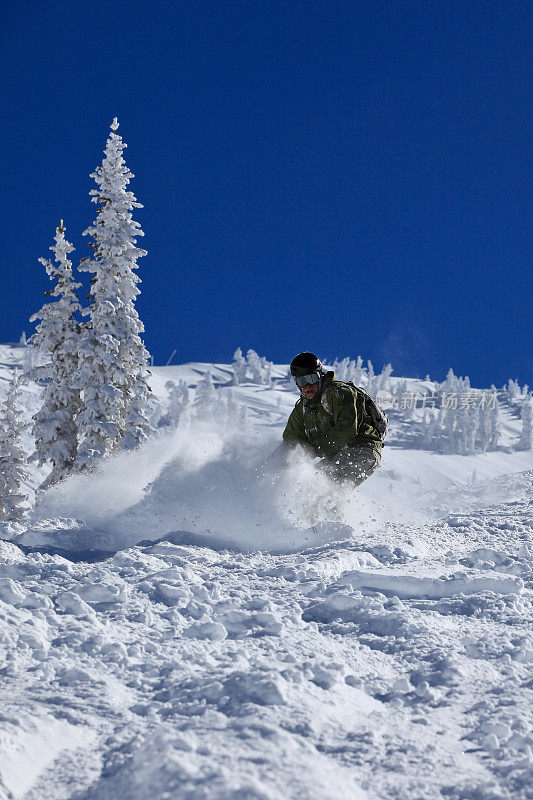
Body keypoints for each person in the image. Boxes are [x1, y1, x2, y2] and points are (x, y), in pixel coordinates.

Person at [278, 352, 386, 486]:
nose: (307, 386)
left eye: (311, 378)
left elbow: (346, 429)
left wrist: (314, 449)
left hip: (361, 449)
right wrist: (267, 467)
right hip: (336, 456)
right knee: (307, 485)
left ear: (320, 376)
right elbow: (291, 443)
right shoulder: (302, 409)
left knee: (324, 489)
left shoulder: (339, 393)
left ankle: (329, 504)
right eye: (301, 381)